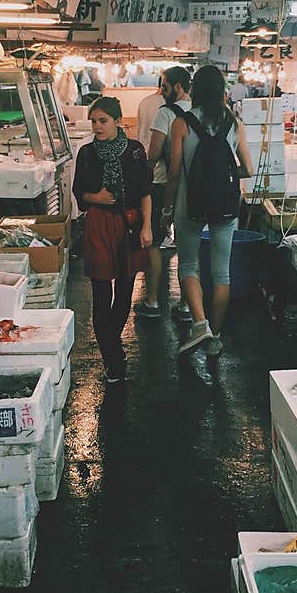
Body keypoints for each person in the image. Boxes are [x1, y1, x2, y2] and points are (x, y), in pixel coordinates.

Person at [163, 65, 254, 358]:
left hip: (190, 205)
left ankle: (199, 323)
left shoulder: (181, 123)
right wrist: (224, 173)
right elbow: (248, 170)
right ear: (222, 91)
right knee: (221, 273)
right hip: (226, 205)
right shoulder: (233, 123)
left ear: (194, 90)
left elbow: (174, 172)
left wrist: (167, 208)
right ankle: (215, 338)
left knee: (188, 266)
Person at [73, 97, 152, 384]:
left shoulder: (134, 151)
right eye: (93, 121)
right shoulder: (86, 153)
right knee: (100, 292)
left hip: (129, 224)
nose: (97, 126)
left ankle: (112, 344)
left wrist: (147, 227)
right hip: (98, 223)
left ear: (118, 121)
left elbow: (145, 190)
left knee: (125, 291)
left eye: (103, 120)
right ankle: (113, 358)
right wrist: (98, 197)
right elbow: (79, 192)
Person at [134, 67, 192, 321]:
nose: (163, 91)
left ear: (178, 87)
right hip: (191, 187)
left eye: (166, 87)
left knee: (156, 243)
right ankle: (187, 306)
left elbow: (155, 152)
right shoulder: (199, 112)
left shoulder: (166, 113)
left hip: (162, 184)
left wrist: (140, 171)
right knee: (188, 247)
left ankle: (153, 301)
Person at [135, 86, 165, 154]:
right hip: (157, 154)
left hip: (143, 150)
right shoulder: (166, 104)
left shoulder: (144, 101)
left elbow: (140, 128)